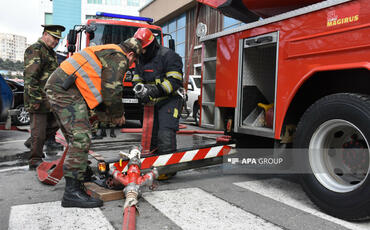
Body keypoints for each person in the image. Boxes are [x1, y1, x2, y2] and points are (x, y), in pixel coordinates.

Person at [45, 38, 142, 208]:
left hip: (62, 88)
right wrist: (118, 114)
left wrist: (104, 115)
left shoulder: (108, 50)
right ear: (131, 54)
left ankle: (82, 175)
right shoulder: (119, 56)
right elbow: (112, 89)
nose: (131, 65)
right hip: (65, 90)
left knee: (75, 137)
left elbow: (99, 88)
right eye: (133, 62)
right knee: (81, 137)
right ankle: (72, 193)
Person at [133, 28, 183, 154]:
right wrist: (139, 90)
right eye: (140, 49)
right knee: (151, 137)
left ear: (152, 45)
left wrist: (154, 90)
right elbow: (137, 78)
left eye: (144, 48)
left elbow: (175, 81)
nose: (142, 52)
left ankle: (168, 170)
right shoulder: (140, 58)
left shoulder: (169, 56)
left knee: (165, 134)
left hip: (169, 101)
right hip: (151, 102)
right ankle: (153, 165)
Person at [23, 24, 65, 169]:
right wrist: (34, 99)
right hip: (38, 99)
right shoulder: (35, 50)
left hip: (50, 99)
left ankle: (32, 142)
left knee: (57, 123)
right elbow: (30, 78)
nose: (56, 42)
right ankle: (35, 160)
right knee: (39, 132)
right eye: (54, 38)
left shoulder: (50, 52)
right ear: (45, 34)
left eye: (58, 39)